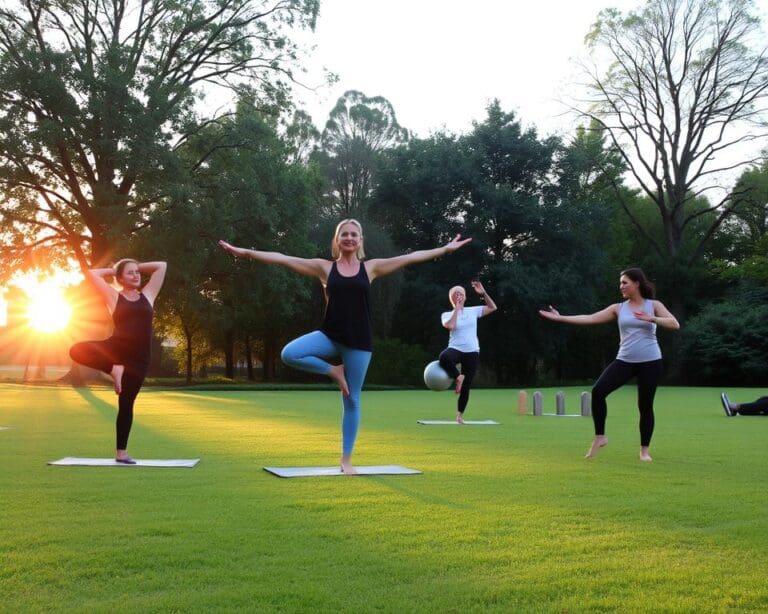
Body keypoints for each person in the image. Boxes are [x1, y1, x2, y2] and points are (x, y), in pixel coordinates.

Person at [219, 220, 471, 475]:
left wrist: (445, 249)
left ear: (360, 240)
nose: (349, 238)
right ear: (337, 240)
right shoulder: (324, 268)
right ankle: (334, 371)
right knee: (290, 353)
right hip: (329, 335)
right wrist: (246, 253)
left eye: (354, 234)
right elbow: (282, 258)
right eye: (344, 234)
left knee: (352, 400)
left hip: (359, 342)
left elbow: (410, 257)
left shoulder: (370, 268)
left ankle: (346, 459)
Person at [538, 267, 679, 462]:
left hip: (651, 361)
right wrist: (561, 317)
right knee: (598, 391)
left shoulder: (653, 305)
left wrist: (652, 318)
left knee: (645, 406)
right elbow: (590, 318)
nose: (621, 286)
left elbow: (674, 324)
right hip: (625, 360)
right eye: (620, 283)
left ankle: (644, 451)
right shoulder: (618, 308)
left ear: (636, 283)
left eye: (624, 282)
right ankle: (600, 436)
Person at [69, 259, 167, 464]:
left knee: (126, 404)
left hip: (140, 359)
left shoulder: (148, 296)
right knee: (76, 350)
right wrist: (115, 269)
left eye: (137, 272)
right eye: (130, 273)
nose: (136, 275)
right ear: (120, 278)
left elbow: (162, 266)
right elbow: (92, 273)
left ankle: (121, 453)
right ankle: (114, 368)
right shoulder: (114, 297)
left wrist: (134, 266)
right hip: (116, 350)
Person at [438, 281, 497, 423]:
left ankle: (460, 415)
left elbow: (493, 307)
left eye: (461, 293)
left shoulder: (473, 311)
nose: (458, 296)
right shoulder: (446, 314)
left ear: (465, 297)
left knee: (466, 387)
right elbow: (451, 326)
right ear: (451, 298)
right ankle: (458, 377)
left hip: (472, 352)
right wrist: (457, 309)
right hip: (456, 349)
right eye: (455, 294)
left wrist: (482, 293)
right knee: (444, 357)